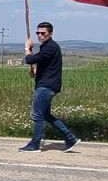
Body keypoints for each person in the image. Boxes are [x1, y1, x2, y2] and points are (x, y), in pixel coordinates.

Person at [20, 21, 81, 153]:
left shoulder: (50, 47)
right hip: (47, 83)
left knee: (37, 115)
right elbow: (46, 65)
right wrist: (35, 72)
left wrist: (27, 49)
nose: (40, 35)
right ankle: (70, 138)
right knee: (46, 115)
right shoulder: (46, 47)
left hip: (46, 86)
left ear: (50, 33)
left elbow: (30, 60)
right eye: (38, 33)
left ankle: (35, 144)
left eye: (43, 33)